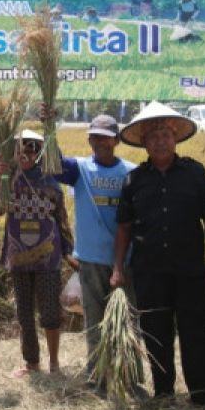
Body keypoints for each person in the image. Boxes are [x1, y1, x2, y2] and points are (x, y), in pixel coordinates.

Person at [112, 102, 205, 409]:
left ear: (175, 138)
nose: (159, 140)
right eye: (153, 136)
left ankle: (203, 396)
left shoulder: (195, 173)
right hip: (150, 270)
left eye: (165, 134)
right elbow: (124, 227)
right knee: (156, 333)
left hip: (190, 270)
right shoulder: (134, 180)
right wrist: (118, 267)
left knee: (196, 332)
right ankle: (163, 393)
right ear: (144, 143)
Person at [42, 110, 138, 386]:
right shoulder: (79, 169)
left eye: (106, 138)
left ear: (116, 140)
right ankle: (97, 376)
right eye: (94, 137)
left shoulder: (130, 172)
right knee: (94, 322)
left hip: (125, 260)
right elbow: (54, 163)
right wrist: (49, 126)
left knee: (126, 322)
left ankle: (129, 377)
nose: (100, 142)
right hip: (91, 261)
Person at [0, 130, 73, 377]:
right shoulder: (9, 180)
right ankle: (32, 362)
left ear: (39, 153)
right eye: (19, 150)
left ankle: (55, 363)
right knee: (25, 313)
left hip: (48, 257)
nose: (25, 154)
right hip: (18, 256)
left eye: (31, 149)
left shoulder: (50, 182)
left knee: (49, 311)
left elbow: (62, 219)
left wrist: (69, 251)